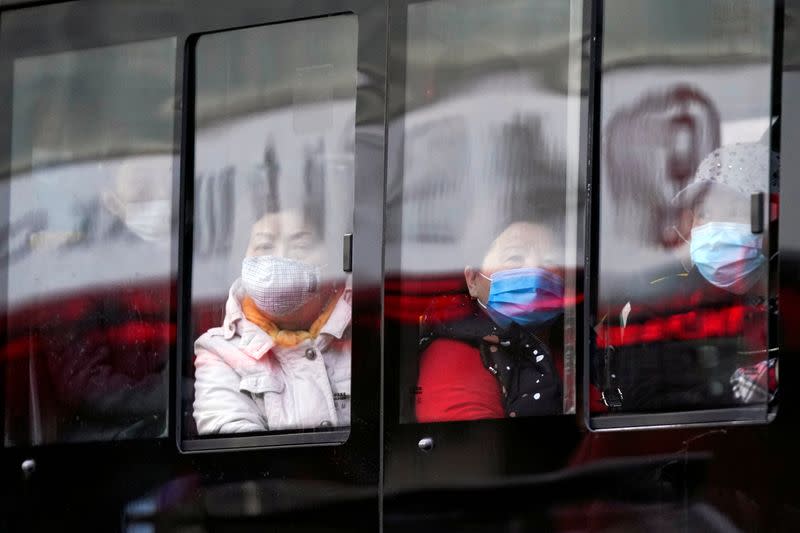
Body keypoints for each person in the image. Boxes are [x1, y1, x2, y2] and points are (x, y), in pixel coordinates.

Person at [595, 141, 776, 412]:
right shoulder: (665, 305)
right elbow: (646, 402)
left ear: (771, 217)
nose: (714, 224)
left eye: (736, 210)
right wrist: (751, 386)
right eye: (704, 213)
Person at [192, 144, 351, 434]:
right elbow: (238, 455)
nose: (281, 257)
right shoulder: (220, 352)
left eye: (300, 244)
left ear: (333, 257)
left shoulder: (367, 327)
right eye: (264, 245)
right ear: (242, 258)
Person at [415, 219, 565, 422]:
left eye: (550, 261)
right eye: (514, 257)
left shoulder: (574, 346)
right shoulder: (457, 355)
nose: (536, 269)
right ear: (473, 280)